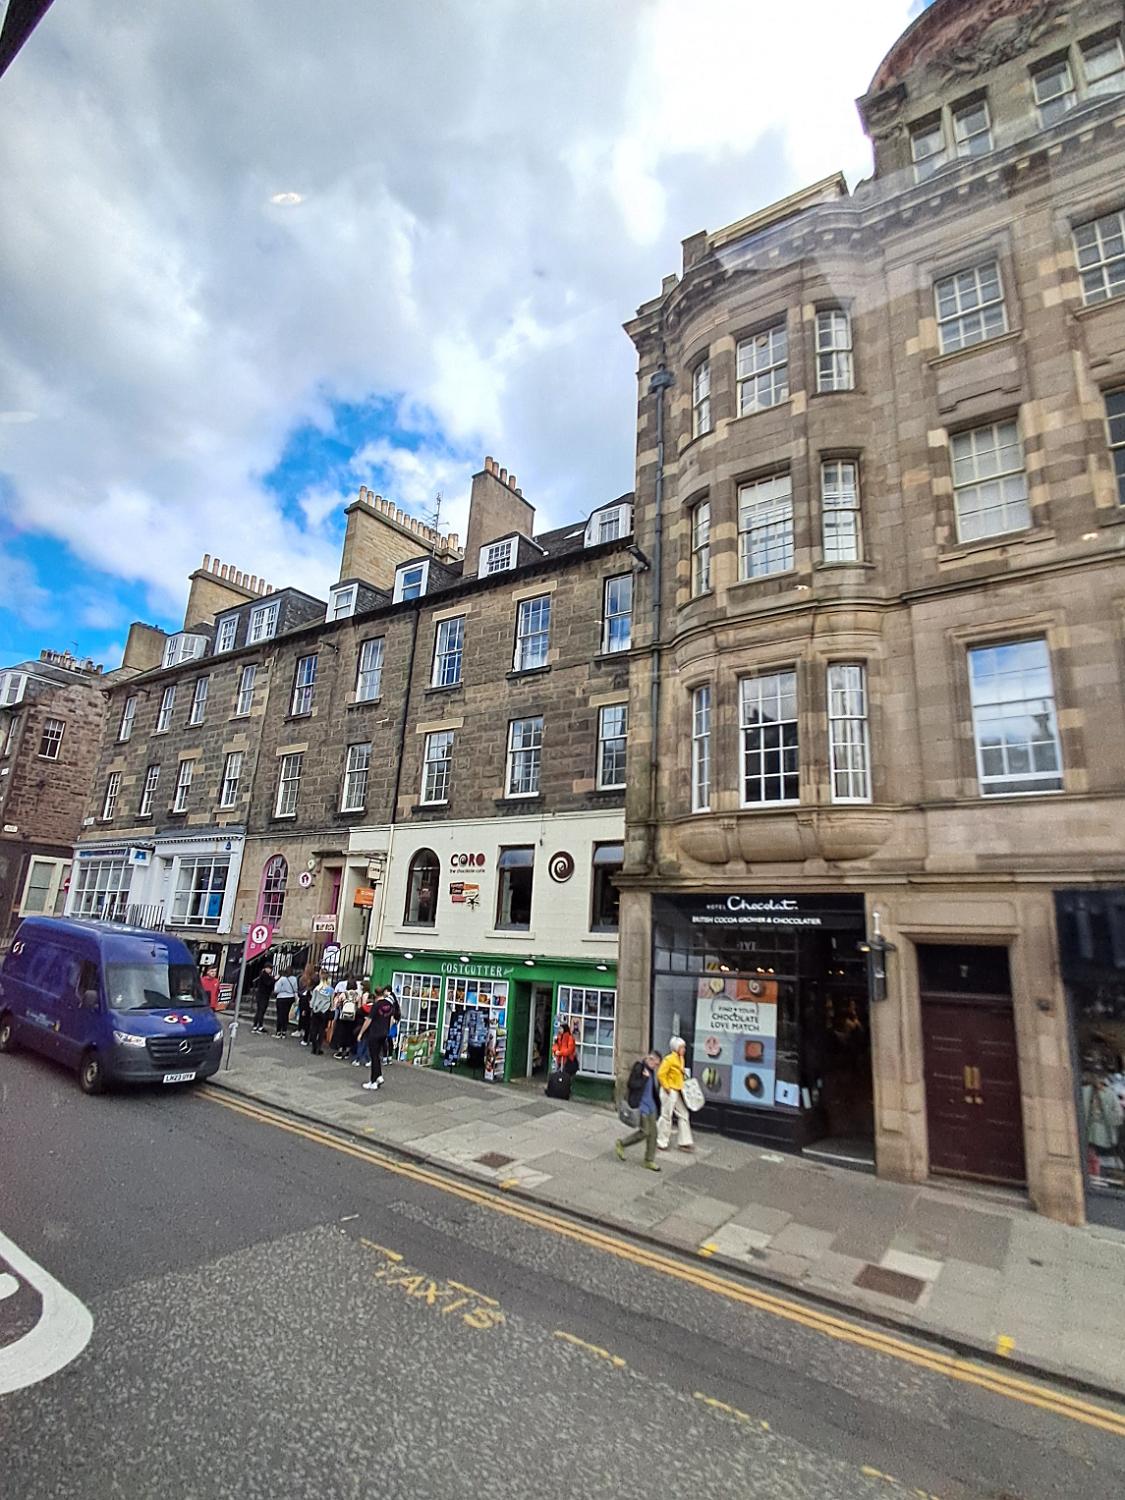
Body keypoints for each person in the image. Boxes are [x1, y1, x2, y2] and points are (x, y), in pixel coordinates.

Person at [615, 1052, 662, 1171]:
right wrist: (644, 1078)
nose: (656, 1067)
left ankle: (649, 1160)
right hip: (641, 1106)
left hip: (651, 1106)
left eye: (657, 1065)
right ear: (650, 1059)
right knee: (645, 1131)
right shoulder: (639, 1067)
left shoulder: (651, 1071)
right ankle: (622, 1143)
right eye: (655, 1064)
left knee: (653, 1134)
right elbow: (632, 1084)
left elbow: (652, 1089)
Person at [656, 1035, 694, 1152]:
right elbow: (661, 1074)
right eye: (682, 1047)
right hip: (669, 1090)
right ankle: (662, 1141)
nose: (684, 1050)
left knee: (683, 1114)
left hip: (677, 1090)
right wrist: (666, 1087)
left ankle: (685, 1141)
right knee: (666, 1116)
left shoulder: (680, 1059)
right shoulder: (669, 1059)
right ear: (676, 1048)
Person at [360, 986, 400, 1091]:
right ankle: (379, 1076)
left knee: (374, 1057)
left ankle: (373, 1081)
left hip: (375, 1033)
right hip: (384, 1033)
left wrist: (361, 1033)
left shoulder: (376, 1005)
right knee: (377, 1056)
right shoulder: (389, 1005)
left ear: (375, 995)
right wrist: (387, 1030)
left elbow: (369, 1020)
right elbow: (391, 1019)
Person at [333, 975, 360, 1060]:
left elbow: (337, 1004)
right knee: (349, 1033)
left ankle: (340, 1051)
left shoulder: (344, 994)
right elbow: (359, 1006)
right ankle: (347, 1051)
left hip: (343, 1016)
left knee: (342, 1032)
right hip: (352, 1017)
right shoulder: (357, 995)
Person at [309, 971, 334, 1055]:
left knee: (314, 1029)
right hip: (325, 1010)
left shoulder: (317, 988)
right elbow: (331, 1002)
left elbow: (313, 1000)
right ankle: (318, 1048)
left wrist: (312, 1007)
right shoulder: (331, 990)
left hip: (316, 1010)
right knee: (321, 1030)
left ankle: (314, 1046)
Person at [352, 983, 375, 1068]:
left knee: (361, 1043)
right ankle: (368, 1060)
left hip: (361, 1026)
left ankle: (358, 1059)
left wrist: (359, 1002)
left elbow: (357, 1012)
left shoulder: (362, 1008)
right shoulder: (375, 1009)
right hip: (371, 1027)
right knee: (367, 1044)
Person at [274, 967, 298, 1039]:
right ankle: (284, 1031)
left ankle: (278, 1032)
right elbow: (295, 989)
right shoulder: (294, 979)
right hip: (290, 997)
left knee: (280, 1015)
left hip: (281, 997)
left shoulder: (282, 979)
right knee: (286, 1014)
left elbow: (276, 990)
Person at [296, 963, 317, 1047]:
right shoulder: (315, 979)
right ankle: (311, 1039)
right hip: (313, 1002)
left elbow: (299, 989)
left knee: (305, 1020)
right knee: (312, 1022)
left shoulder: (302, 978)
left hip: (304, 1001)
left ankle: (303, 1035)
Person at [251, 962, 274, 1034]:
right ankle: (259, 1026)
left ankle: (256, 1026)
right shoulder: (264, 975)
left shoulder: (264, 975)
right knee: (261, 1011)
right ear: (266, 968)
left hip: (262, 995)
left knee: (260, 1011)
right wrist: (274, 979)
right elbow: (268, 983)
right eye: (269, 968)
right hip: (263, 995)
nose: (270, 970)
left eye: (270, 968)